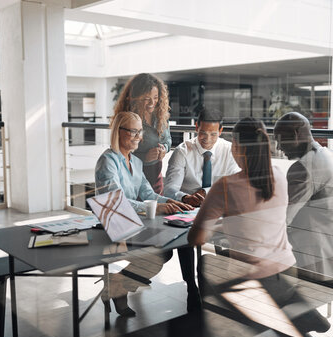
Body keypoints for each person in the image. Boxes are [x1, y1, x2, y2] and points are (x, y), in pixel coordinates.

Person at [188, 117, 330, 334]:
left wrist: (217, 225)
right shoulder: (279, 175)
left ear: (235, 147)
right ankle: (295, 308)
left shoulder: (225, 186)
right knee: (232, 257)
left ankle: (221, 325)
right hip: (288, 270)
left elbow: (195, 239)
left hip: (256, 278)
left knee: (206, 262)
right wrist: (227, 225)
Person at [95, 111, 198, 316]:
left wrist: (172, 201)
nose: (139, 137)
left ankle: (118, 284)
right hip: (115, 224)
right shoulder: (107, 161)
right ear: (118, 131)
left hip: (136, 222)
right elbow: (115, 202)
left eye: (140, 132)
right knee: (162, 251)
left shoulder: (135, 162)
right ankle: (119, 285)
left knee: (175, 239)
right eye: (133, 131)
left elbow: (148, 194)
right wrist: (155, 208)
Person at [274, 112, 333, 281]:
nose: (278, 148)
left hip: (328, 266)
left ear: (296, 135)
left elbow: (282, 219)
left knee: (260, 266)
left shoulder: (304, 167)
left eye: (280, 140)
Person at [164, 108, 240, 207]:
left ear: (220, 131)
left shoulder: (229, 150)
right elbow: (169, 189)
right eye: (203, 133)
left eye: (213, 134)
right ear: (196, 127)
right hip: (188, 207)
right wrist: (185, 198)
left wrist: (205, 192)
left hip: (220, 205)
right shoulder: (182, 151)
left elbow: (235, 185)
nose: (207, 139)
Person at [114, 73, 171, 195]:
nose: (152, 102)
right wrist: (144, 158)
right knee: (139, 210)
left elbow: (168, 140)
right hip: (135, 177)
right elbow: (121, 152)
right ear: (136, 97)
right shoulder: (129, 119)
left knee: (156, 210)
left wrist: (164, 149)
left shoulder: (161, 115)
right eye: (146, 98)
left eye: (156, 97)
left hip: (156, 176)